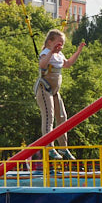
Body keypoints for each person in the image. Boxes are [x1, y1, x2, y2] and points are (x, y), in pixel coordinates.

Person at [36, 29, 84, 160]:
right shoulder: (46, 53)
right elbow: (42, 64)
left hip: (54, 91)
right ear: (50, 42)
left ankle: (63, 148)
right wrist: (51, 51)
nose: (60, 47)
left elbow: (67, 64)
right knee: (49, 117)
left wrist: (78, 51)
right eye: (58, 44)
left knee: (62, 117)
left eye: (62, 44)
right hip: (44, 89)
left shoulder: (59, 54)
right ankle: (49, 147)